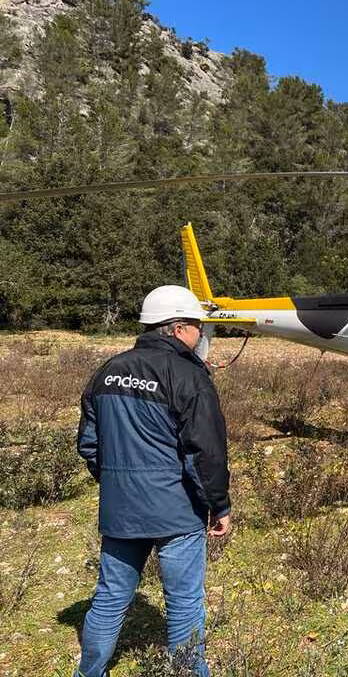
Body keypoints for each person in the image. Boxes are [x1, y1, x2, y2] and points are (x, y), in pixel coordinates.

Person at [75, 285, 231, 677]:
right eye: (197, 326)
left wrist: (116, 483)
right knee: (184, 602)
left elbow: (89, 444)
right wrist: (219, 505)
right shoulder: (188, 376)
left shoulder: (106, 372)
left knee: (110, 598)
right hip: (176, 512)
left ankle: (88, 672)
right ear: (178, 329)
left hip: (120, 509)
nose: (201, 335)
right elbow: (205, 453)